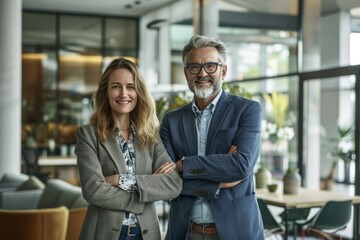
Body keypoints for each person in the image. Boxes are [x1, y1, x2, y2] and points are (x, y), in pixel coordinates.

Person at [160, 35, 264, 240]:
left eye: (210, 66)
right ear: (185, 73)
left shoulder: (247, 110)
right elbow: (165, 181)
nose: (202, 73)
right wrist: (216, 183)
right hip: (185, 233)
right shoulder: (171, 120)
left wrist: (184, 166)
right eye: (194, 67)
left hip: (236, 231)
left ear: (223, 71)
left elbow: (241, 166)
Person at [75, 57, 182, 240]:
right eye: (116, 86)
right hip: (103, 233)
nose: (124, 94)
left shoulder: (150, 136)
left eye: (130, 87)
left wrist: (121, 180)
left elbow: (173, 185)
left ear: (138, 92)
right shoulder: (88, 135)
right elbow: (93, 190)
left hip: (146, 234)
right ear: (106, 92)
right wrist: (144, 194)